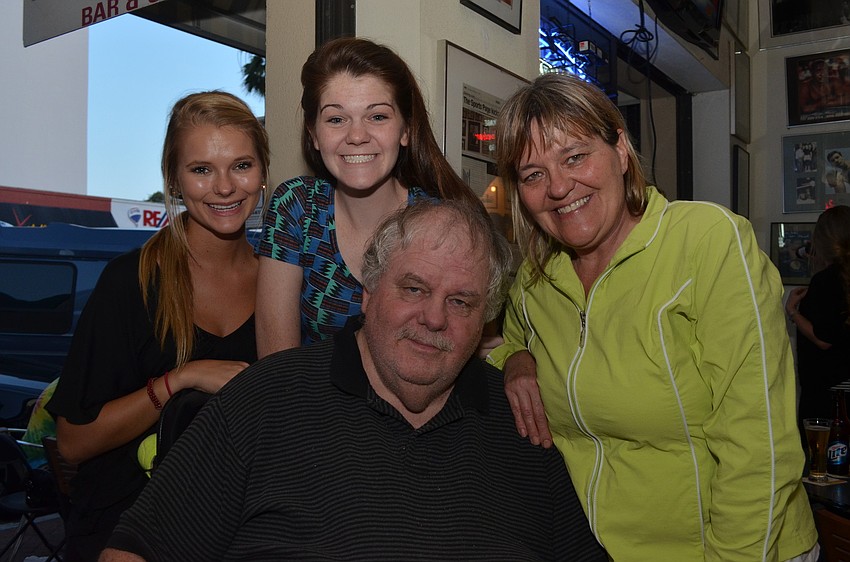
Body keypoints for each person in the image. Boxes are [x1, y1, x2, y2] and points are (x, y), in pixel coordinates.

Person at [99, 199, 606, 562]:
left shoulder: (520, 427)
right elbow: (134, 550)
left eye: (460, 302)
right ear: (368, 291)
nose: (434, 318)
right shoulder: (267, 399)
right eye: (414, 288)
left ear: (484, 319)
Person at [488, 73, 818, 561]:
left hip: (737, 548)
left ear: (621, 150)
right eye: (533, 174)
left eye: (574, 157)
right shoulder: (537, 280)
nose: (558, 187)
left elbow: (760, 444)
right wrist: (516, 361)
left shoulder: (707, 241)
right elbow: (508, 342)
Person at [47, 91, 269, 561]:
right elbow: (73, 442)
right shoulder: (130, 282)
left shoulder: (280, 283)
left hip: (234, 534)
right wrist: (180, 379)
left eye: (241, 165)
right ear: (174, 180)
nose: (225, 187)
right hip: (125, 531)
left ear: (263, 171)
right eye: (201, 169)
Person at [255, 37, 477, 357]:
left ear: (405, 130)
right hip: (305, 390)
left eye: (377, 117)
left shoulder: (443, 225)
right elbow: (276, 365)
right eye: (336, 119)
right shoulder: (297, 207)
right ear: (314, 134)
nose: (357, 136)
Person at [786, 206, 850, 426]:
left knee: (822, 445)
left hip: (829, 393)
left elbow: (823, 339)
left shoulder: (826, 281)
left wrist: (793, 311)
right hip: (844, 385)